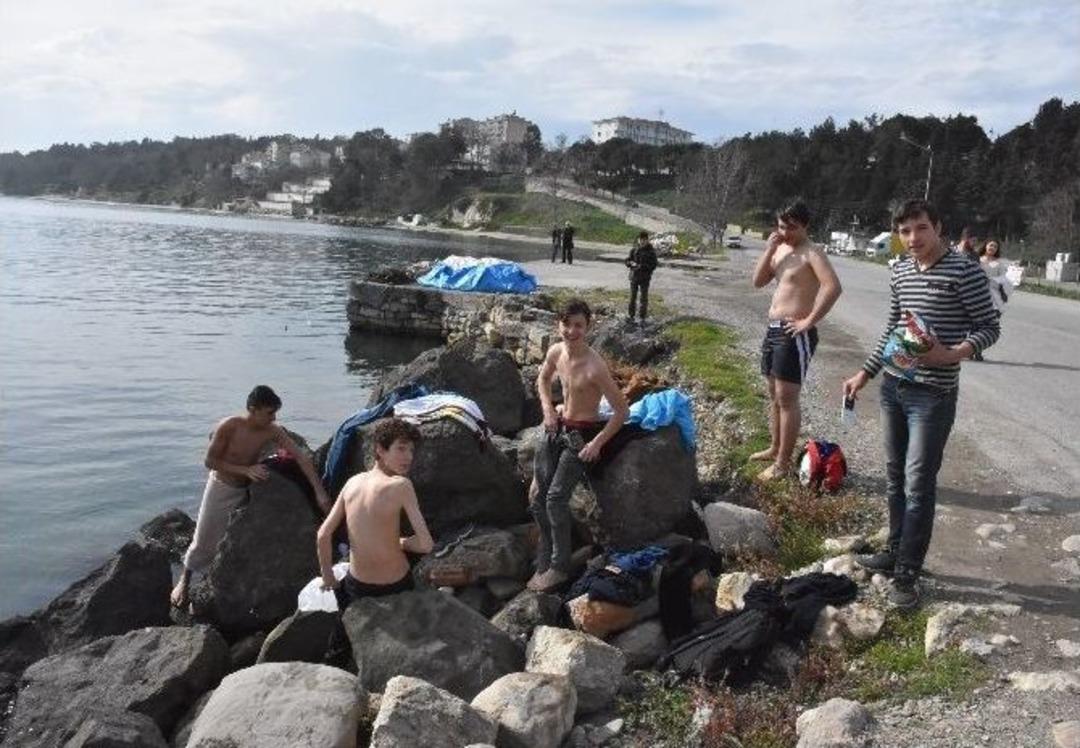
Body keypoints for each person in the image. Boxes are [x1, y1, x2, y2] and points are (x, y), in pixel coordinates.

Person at [844, 199, 999, 608]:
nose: (913, 238)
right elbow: (894, 327)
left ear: (938, 227)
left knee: (918, 482)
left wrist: (952, 353)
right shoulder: (899, 271)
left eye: (921, 228)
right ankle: (895, 552)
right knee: (895, 478)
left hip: (934, 394)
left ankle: (908, 574)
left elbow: (989, 327)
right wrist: (865, 373)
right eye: (905, 230)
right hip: (894, 387)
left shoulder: (964, 270)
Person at [170, 386, 332, 608]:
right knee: (205, 537)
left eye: (275, 413)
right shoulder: (229, 426)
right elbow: (210, 461)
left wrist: (319, 491)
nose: (273, 418)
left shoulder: (272, 430)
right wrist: (245, 470)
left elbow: (301, 456)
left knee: (233, 539)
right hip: (222, 485)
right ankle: (185, 580)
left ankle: (219, 579)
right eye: (269, 413)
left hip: (249, 488)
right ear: (252, 410)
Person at [529, 299, 629, 591]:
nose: (572, 331)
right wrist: (548, 408)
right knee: (536, 495)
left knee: (555, 498)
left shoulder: (595, 367)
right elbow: (543, 379)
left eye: (578, 326)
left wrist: (597, 443)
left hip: (582, 435)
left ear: (588, 327)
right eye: (567, 324)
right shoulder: (556, 351)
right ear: (558, 324)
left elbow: (622, 411)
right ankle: (546, 552)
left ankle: (559, 566)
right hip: (557, 426)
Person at [749, 201, 842, 481]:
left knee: (787, 398)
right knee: (773, 395)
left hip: (795, 333)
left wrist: (809, 320)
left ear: (805, 226)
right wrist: (768, 249)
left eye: (792, 227)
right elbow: (758, 281)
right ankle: (775, 447)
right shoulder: (779, 250)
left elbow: (833, 287)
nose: (786, 232)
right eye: (781, 225)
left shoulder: (812, 252)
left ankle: (782, 463)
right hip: (773, 329)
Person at [316, 417, 433, 607]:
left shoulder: (352, 483)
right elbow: (426, 544)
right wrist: (400, 542)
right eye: (401, 448)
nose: (409, 457)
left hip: (358, 587)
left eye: (412, 450)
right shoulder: (401, 485)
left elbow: (323, 535)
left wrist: (328, 578)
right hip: (394, 586)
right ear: (380, 449)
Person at [625, 230, 659, 322]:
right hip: (634, 277)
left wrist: (642, 266)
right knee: (632, 297)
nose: (642, 241)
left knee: (643, 298)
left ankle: (642, 316)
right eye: (641, 240)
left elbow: (654, 265)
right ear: (639, 240)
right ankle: (631, 315)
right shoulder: (634, 250)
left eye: (644, 240)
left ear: (647, 240)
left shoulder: (651, 252)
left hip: (645, 278)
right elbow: (627, 260)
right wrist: (629, 263)